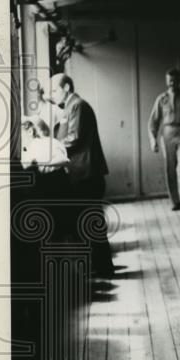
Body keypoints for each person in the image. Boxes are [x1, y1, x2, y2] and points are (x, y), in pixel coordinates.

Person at [45, 73, 113, 277]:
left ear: (66, 88)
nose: (51, 95)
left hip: (87, 173)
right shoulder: (70, 106)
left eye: (54, 90)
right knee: (87, 221)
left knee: (91, 221)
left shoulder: (77, 105)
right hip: (82, 173)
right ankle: (100, 266)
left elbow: (73, 137)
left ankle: (104, 267)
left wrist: (53, 149)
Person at [148, 68, 180, 212]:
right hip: (168, 134)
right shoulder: (161, 98)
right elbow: (153, 122)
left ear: (179, 81)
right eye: (169, 80)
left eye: (174, 80)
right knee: (170, 169)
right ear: (166, 81)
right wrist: (153, 140)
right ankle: (175, 201)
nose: (172, 83)